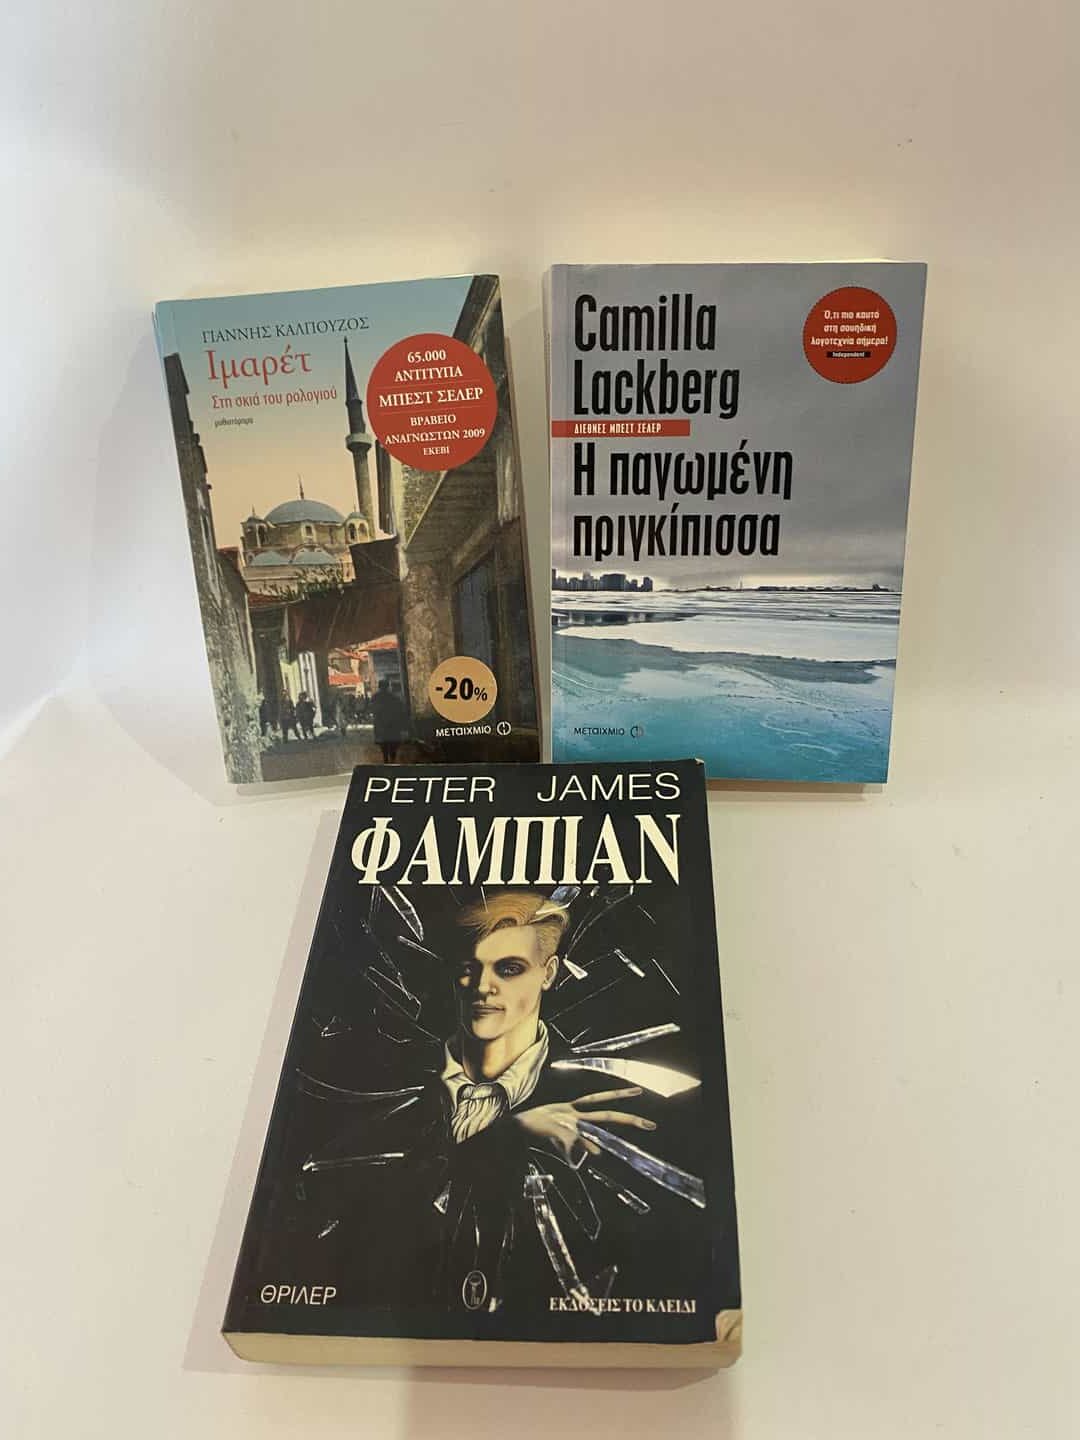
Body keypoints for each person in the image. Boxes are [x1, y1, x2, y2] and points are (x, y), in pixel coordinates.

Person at [370, 679, 407, 762]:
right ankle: (392, 758)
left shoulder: (375, 697)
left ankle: (386, 758)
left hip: (381, 724)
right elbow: (400, 710)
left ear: (379, 686)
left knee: (383, 744)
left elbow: (373, 709)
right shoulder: (394, 697)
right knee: (393, 743)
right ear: (388, 686)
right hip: (392, 724)